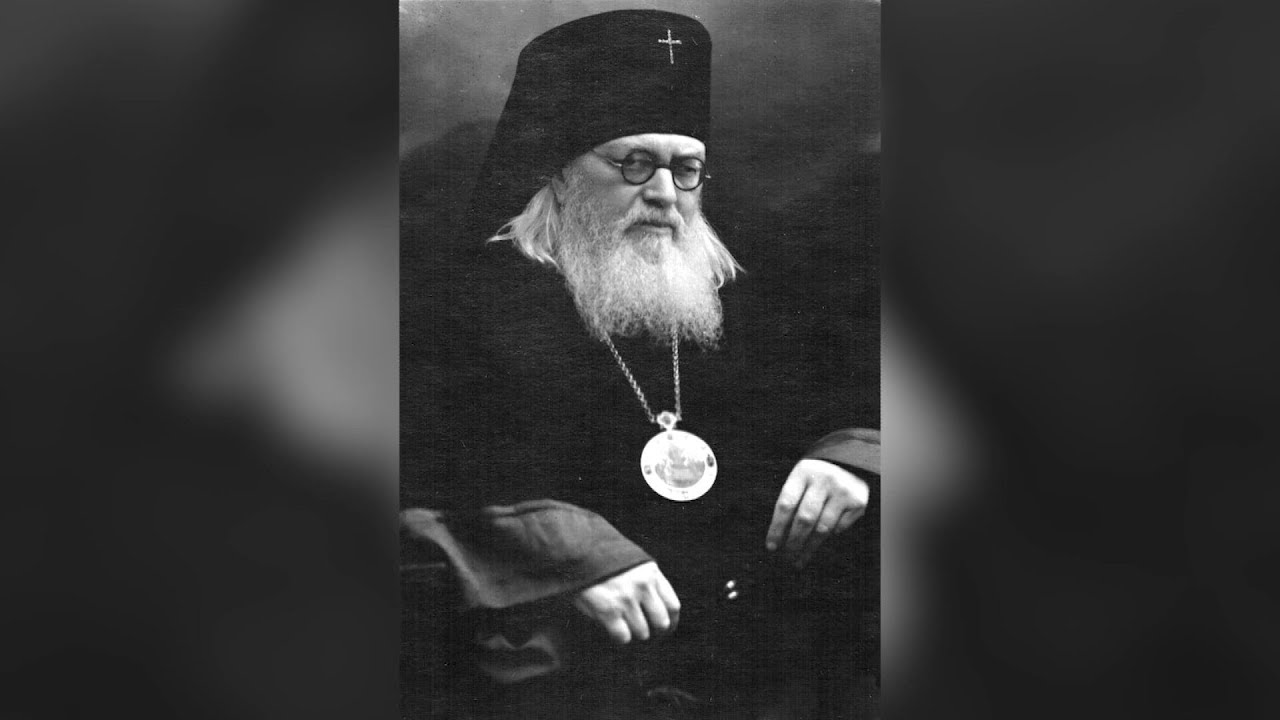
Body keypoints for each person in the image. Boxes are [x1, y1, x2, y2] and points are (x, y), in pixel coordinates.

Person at [401, 10, 879, 719]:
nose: (664, 193)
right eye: (633, 163)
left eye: (685, 169)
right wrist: (564, 554)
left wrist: (849, 457)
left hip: (757, 673)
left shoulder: (740, 301)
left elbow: (864, 404)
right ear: (557, 174)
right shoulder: (455, 307)